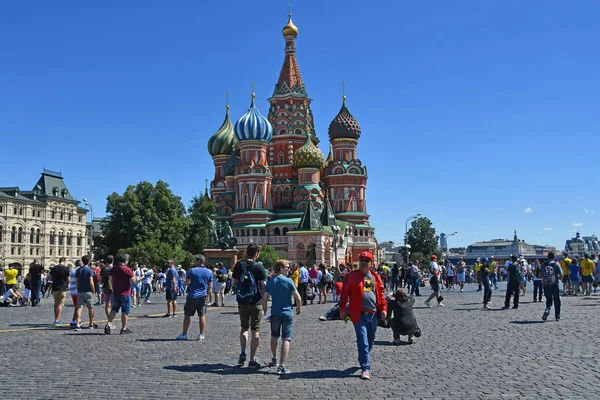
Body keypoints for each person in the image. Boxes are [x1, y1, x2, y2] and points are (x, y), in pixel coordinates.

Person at [339, 251, 387, 380]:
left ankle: (362, 357)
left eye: (367, 261)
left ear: (371, 263)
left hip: (373, 315)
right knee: (363, 340)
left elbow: (381, 294)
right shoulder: (351, 276)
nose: (364, 263)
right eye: (362, 260)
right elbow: (344, 294)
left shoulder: (375, 277)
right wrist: (342, 309)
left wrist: (383, 309)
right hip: (358, 315)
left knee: (370, 340)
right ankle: (365, 367)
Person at [262, 260, 301, 374]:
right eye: (287, 267)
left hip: (275, 313)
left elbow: (265, 298)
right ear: (280, 268)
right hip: (287, 313)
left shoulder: (271, 281)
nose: (289, 269)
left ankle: (274, 359)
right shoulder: (288, 281)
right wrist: (298, 307)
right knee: (286, 338)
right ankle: (282, 366)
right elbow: (297, 297)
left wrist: (265, 312)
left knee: (274, 336)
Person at [231, 243, 267, 367]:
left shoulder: (239, 265)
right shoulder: (259, 267)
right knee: (255, 331)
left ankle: (242, 353)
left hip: (242, 301)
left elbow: (234, 283)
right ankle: (252, 358)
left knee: (244, 328)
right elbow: (263, 286)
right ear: (256, 253)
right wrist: (264, 300)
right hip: (255, 301)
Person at [104, 254, 143, 334]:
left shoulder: (114, 268)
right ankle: (124, 328)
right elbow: (133, 281)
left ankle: (108, 324)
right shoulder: (127, 269)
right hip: (125, 293)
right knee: (125, 311)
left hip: (116, 293)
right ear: (125, 261)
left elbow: (110, 279)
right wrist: (136, 276)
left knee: (114, 310)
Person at [176, 255, 213, 341]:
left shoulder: (192, 271)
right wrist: (207, 295)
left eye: (195, 261)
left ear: (199, 261)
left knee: (187, 315)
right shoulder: (209, 272)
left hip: (193, 295)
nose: (194, 262)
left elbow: (187, 283)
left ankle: (184, 334)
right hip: (203, 296)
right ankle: (201, 334)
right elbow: (210, 287)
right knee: (202, 315)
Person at [74, 255, 97, 330]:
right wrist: (93, 290)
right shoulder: (90, 270)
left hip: (80, 290)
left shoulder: (78, 270)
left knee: (79, 308)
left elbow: (76, 281)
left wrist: (78, 288)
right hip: (88, 291)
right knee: (91, 308)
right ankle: (91, 324)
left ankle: (77, 324)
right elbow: (91, 282)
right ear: (89, 261)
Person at [541, 252, 563, 322]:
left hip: (546, 284)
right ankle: (557, 315)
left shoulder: (544, 264)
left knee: (549, 299)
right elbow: (561, 274)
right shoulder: (556, 264)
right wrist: (559, 278)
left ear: (547, 257)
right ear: (554, 256)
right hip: (554, 284)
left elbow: (540, 274)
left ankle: (547, 309)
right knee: (556, 299)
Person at [49, 258, 70, 326]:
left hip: (54, 288)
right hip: (62, 288)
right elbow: (68, 279)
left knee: (56, 304)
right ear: (64, 261)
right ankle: (57, 320)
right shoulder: (66, 269)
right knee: (60, 304)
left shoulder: (54, 268)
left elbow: (50, 278)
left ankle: (56, 319)